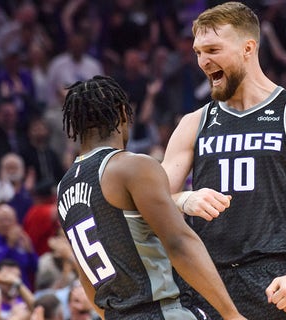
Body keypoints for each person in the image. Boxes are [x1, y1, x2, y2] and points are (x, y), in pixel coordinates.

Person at [160, 2, 286, 318]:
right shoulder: (194, 122)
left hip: (280, 280)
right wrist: (184, 199)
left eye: (212, 50)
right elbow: (150, 197)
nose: (203, 61)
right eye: (198, 52)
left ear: (248, 48)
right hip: (210, 284)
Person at [57, 75, 245, 319]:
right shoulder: (132, 166)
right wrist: (231, 314)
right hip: (160, 311)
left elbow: (86, 276)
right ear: (123, 114)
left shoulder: (64, 187)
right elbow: (180, 243)